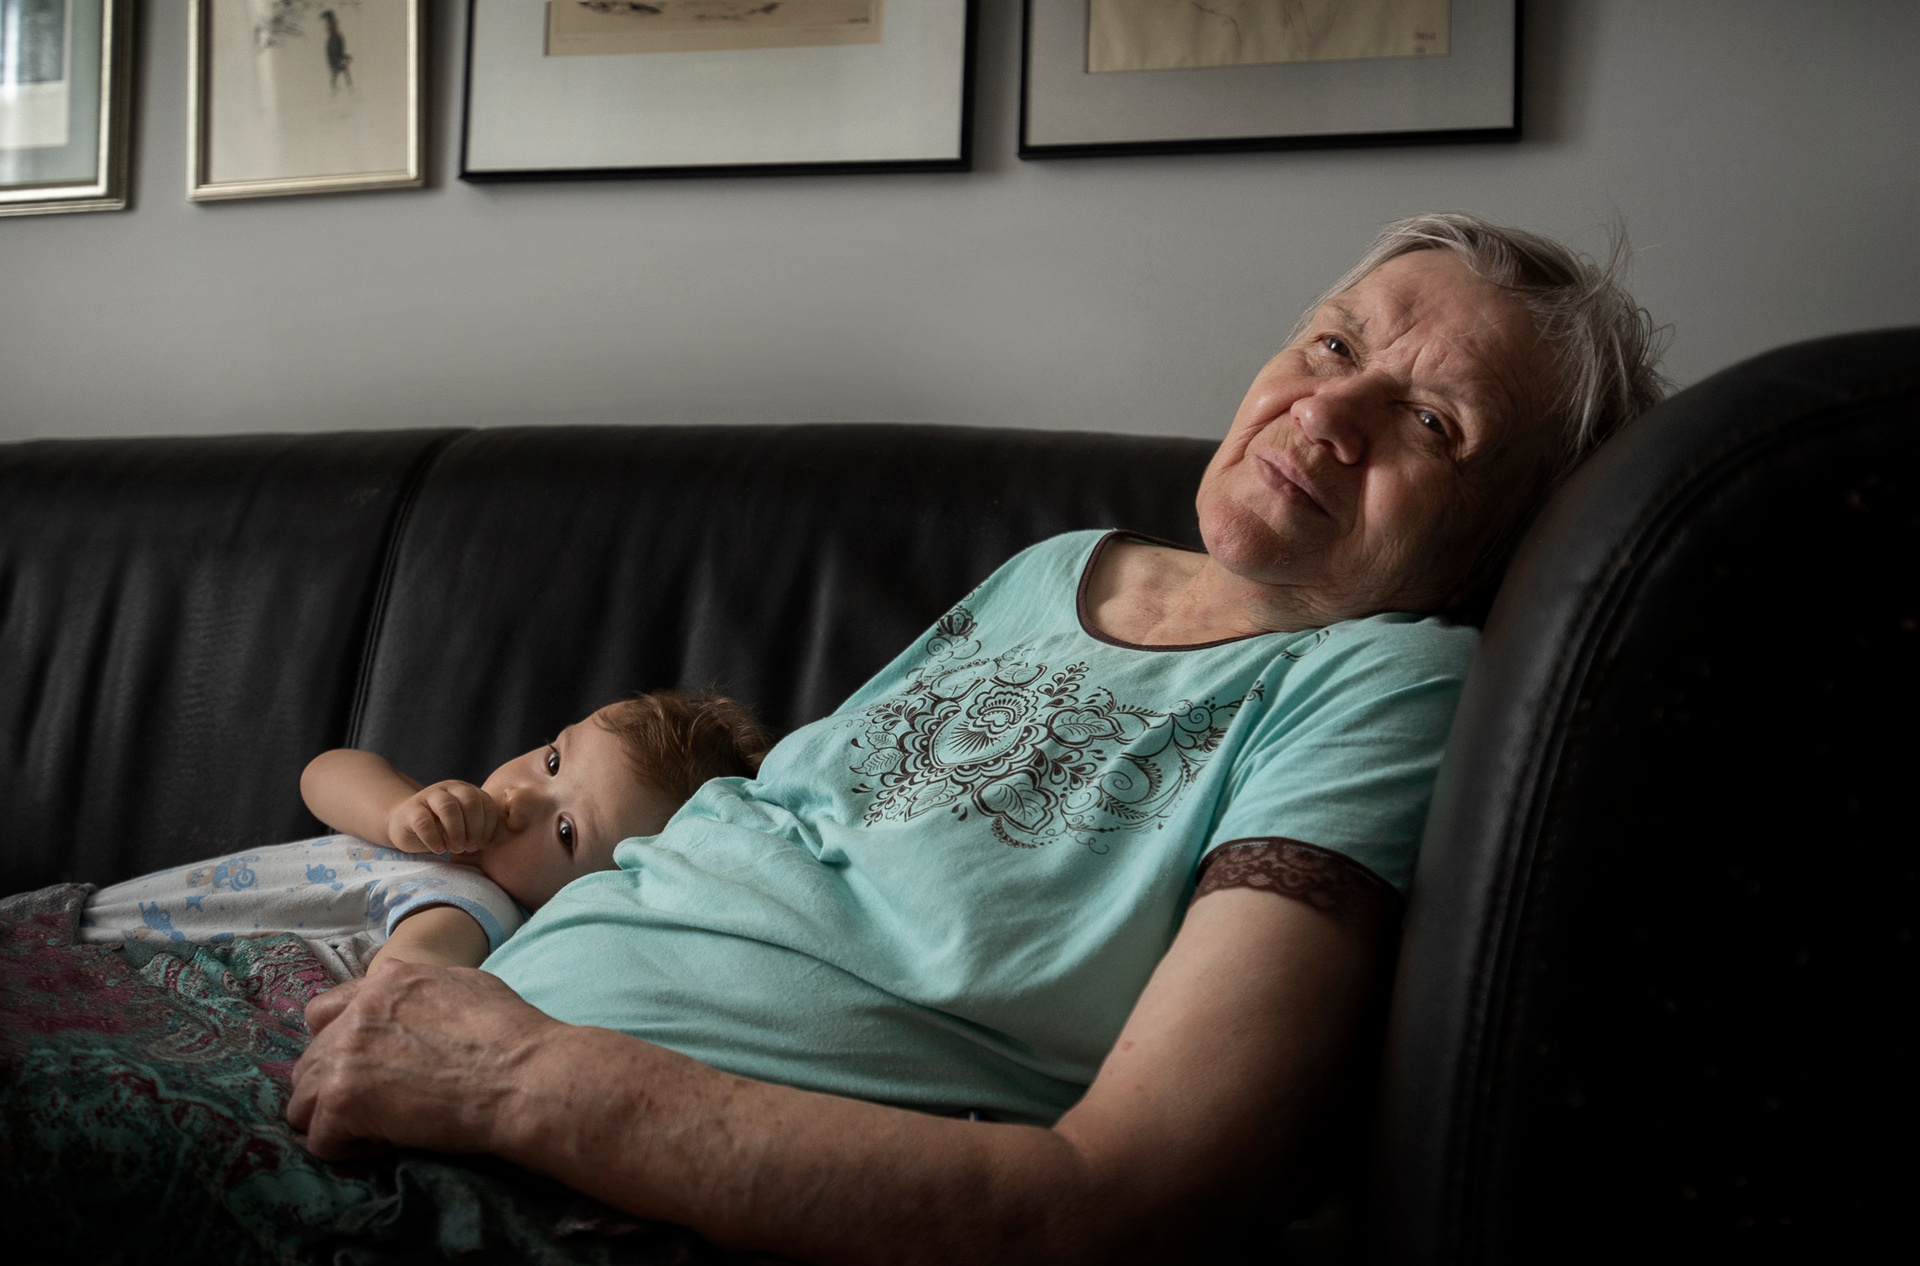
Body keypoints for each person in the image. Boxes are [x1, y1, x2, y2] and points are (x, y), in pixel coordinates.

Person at [288, 214, 1670, 1260]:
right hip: (423, 1055)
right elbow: (782, 851)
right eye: (1334, 344)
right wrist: (442, 972)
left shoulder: (1385, 686)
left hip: (579, 1175)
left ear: (1494, 541)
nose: (1327, 412)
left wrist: (525, 1076)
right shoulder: (1055, 566)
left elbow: (1131, 1190)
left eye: (1429, 420)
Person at [81, 691, 769, 977]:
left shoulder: (476, 910)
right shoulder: (431, 824)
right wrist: (394, 812)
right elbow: (323, 774)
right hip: (91, 913)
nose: (521, 797)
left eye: (566, 831)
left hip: (125, 965)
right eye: (554, 761)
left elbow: (402, 985)